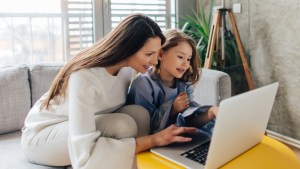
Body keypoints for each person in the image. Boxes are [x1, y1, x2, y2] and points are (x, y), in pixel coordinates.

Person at [21, 14, 198, 169]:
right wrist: (155, 139)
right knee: (121, 124)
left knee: (138, 114)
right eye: (149, 54)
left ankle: (140, 162)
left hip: (80, 128)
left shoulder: (127, 71)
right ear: (129, 47)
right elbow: (85, 152)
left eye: (156, 54)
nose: (154, 61)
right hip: (41, 136)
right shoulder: (84, 77)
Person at [127, 29, 219, 134]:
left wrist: (211, 112)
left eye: (188, 59)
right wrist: (173, 108)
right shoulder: (143, 83)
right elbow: (146, 127)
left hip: (177, 138)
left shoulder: (184, 82)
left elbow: (189, 119)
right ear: (161, 54)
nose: (186, 64)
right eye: (180, 57)